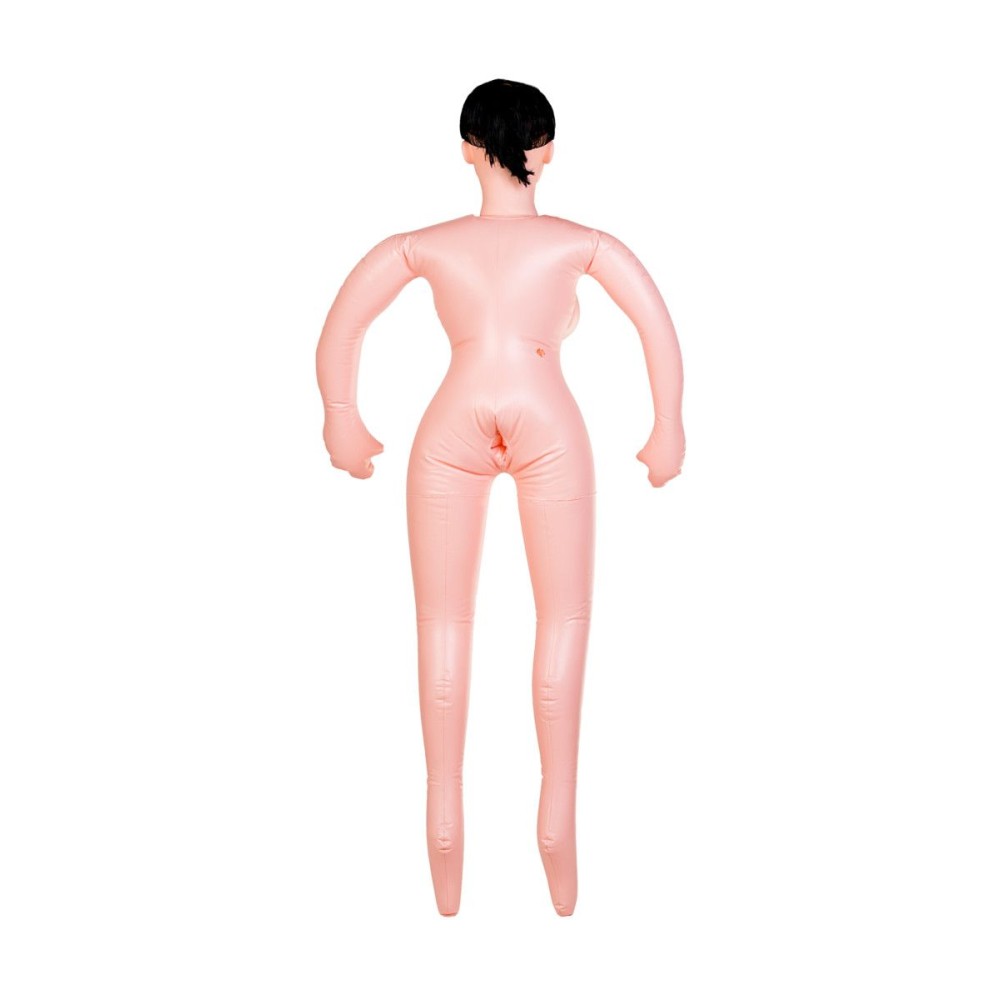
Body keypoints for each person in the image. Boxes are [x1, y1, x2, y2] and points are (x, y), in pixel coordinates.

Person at [316, 78, 686, 917]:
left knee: (442, 624)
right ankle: (557, 826)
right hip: (546, 414)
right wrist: (667, 425)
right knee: (564, 621)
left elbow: (344, 323)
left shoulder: (426, 244)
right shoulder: (579, 242)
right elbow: (654, 323)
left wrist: (343, 417)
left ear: (465, 149)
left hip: (451, 417)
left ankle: (443, 828)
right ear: (547, 152)